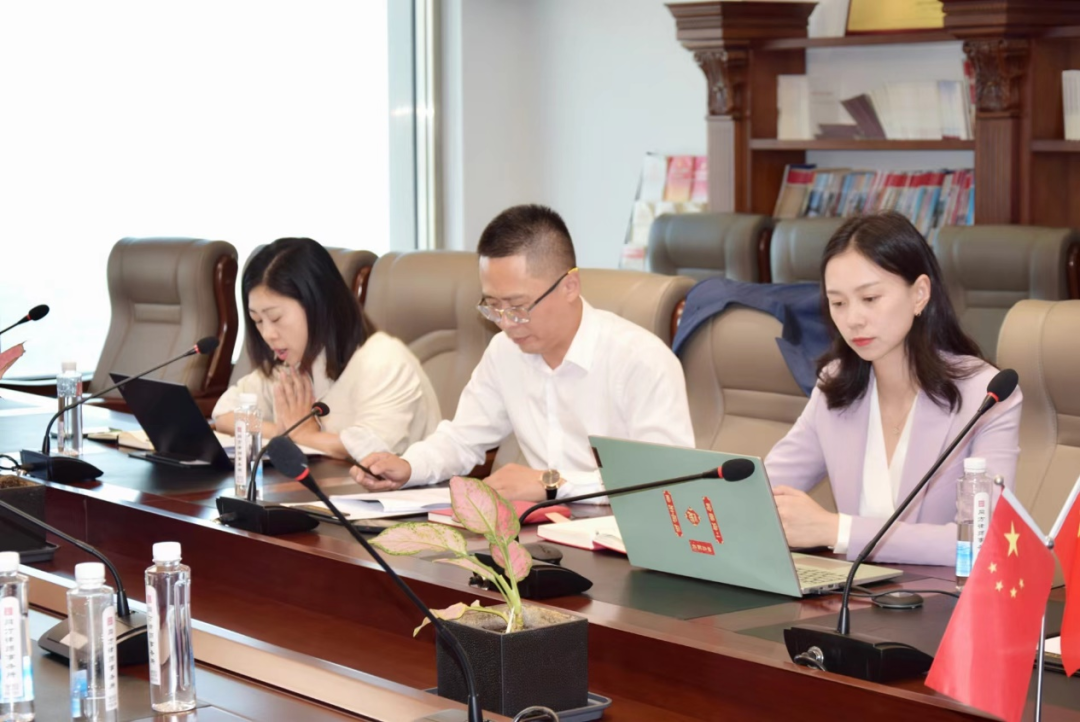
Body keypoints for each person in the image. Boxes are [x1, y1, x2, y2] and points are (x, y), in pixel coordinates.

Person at [350, 204, 695, 502]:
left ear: (569, 286)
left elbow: (668, 480)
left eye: (517, 306)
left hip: (619, 541)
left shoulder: (641, 360)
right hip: (538, 533)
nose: (505, 323)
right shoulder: (506, 351)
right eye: (493, 306)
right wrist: (409, 466)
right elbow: (463, 439)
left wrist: (552, 484)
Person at [764, 212, 1022, 566]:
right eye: (838, 303)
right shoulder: (834, 385)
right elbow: (762, 491)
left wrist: (837, 530)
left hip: (940, 597)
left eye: (870, 298)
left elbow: (981, 539)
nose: (853, 319)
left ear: (919, 294)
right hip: (853, 594)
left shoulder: (986, 395)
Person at [213, 238, 441, 460]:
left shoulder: (383, 360)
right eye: (257, 321)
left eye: (275, 317)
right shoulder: (290, 363)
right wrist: (282, 433)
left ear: (317, 304)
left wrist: (305, 436)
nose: (267, 334)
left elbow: (374, 449)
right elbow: (224, 414)